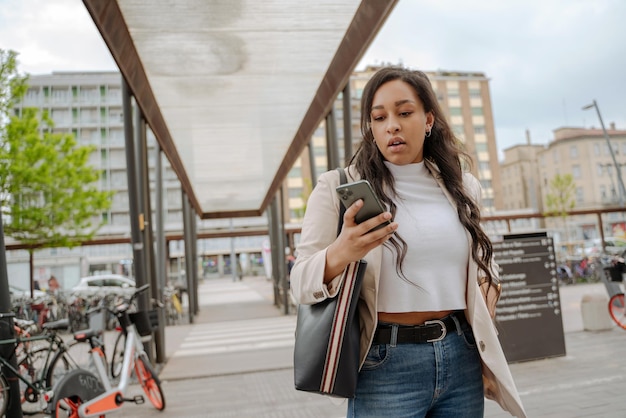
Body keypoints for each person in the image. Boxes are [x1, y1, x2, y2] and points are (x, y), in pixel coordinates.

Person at [290, 66, 525, 417]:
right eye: (379, 117)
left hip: (461, 356)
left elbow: (483, 265)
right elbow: (299, 283)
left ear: (428, 119)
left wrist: (488, 297)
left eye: (404, 113)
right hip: (385, 363)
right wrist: (343, 251)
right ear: (370, 127)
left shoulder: (463, 187)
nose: (392, 126)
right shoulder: (338, 187)